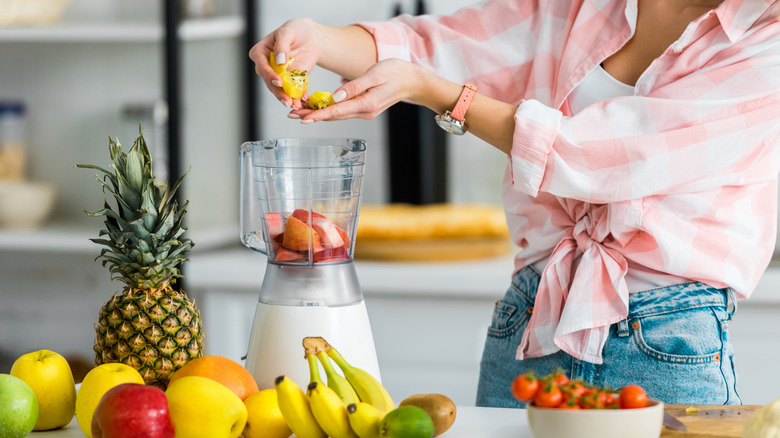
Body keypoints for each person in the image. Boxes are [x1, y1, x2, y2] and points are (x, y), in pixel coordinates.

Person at [250, 0, 780, 407]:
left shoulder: (767, 36)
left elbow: (605, 156)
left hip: (665, 337)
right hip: (530, 316)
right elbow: (448, 45)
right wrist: (316, 39)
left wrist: (441, 94)